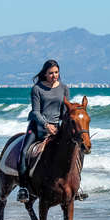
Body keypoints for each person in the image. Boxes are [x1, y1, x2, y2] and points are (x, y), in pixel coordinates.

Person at [16, 59, 69, 202]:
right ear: (45, 74)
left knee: (72, 151)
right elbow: (35, 112)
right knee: (24, 152)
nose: (54, 75)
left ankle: (74, 187)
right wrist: (46, 125)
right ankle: (23, 188)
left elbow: (64, 112)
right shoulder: (37, 89)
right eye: (51, 73)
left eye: (56, 72)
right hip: (37, 128)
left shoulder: (64, 88)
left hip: (55, 129)